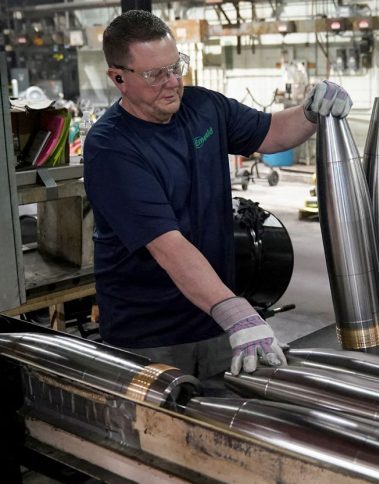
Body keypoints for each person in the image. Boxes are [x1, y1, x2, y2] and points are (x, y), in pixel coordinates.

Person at [83, 10, 352, 381]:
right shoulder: (111, 147)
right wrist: (235, 312)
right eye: (154, 74)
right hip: (149, 333)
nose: (172, 82)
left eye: (176, 66)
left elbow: (271, 132)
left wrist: (309, 112)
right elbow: (168, 246)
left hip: (213, 316)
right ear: (118, 78)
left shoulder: (203, 107)